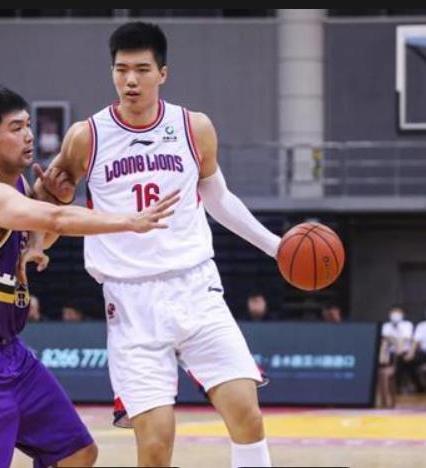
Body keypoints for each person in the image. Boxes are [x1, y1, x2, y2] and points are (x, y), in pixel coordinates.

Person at [32, 22, 279, 468]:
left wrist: (276, 247)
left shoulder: (194, 127)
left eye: (142, 69)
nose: (130, 80)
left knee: (247, 414)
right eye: (121, 69)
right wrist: (41, 234)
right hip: (131, 300)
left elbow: (219, 199)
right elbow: (51, 212)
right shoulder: (86, 136)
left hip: (196, 287)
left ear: (162, 73)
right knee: (155, 446)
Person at [0, 86, 179, 467]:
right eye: (16, 128)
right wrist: (129, 221)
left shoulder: (18, 188)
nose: (28, 135)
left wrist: (50, 211)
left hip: (8, 351)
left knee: (76, 454)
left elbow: (38, 238)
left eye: (28, 125)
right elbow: (55, 219)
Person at [381, 306, 415, 393]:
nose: (395, 315)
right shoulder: (386, 326)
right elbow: (385, 341)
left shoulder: (407, 324)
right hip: (391, 352)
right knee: (386, 359)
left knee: (402, 358)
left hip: (404, 351)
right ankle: (396, 386)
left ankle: (402, 385)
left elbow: (403, 339)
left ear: (403, 314)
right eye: (393, 312)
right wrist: (383, 355)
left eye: (398, 312)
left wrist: (398, 349)